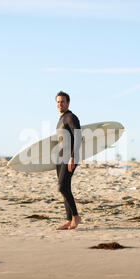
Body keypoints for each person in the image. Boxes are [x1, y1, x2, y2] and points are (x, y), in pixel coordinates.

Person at [55, 91, 82, 230]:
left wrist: (72, 156)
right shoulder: (61, 119)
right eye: (58, 102)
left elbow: (78, 137)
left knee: (62, 187)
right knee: (65, 188)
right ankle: (69, 219)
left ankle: (76, 216)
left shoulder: (71, 117)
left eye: (63, 101)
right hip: (60, 158)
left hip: (69, 158)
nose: (60, 104)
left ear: (68, 103)